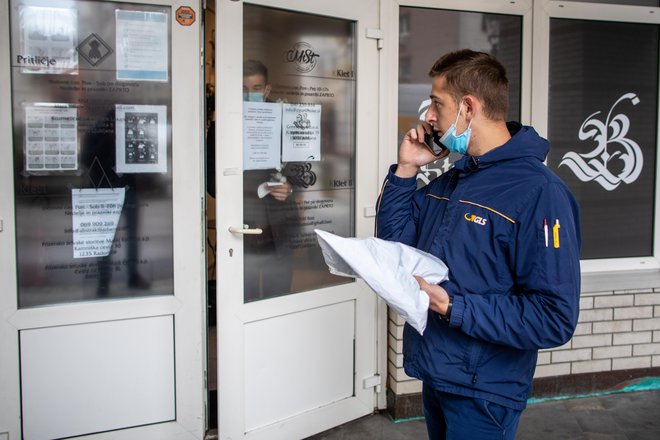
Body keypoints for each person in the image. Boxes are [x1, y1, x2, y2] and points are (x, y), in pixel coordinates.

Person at [375, 49, 581, 439]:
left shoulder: (540, 192)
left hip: (485, 391)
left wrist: (451, 307)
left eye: (437, 103)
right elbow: (393, 245)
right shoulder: (453, 181)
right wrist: (406, 170)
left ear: (468, 108)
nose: (428, 117)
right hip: (438, 373)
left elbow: (554, 317)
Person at [207, 59, 297, 301]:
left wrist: (290, 187)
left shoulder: (284, 121)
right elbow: (210, 181)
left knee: (276, 299)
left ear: (267, 89)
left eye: (256, 88)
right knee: (240, 300)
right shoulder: (223, 123)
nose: (250, 94)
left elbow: (303, 168)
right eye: (243, 89)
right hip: (240, 229)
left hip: (277, 230)